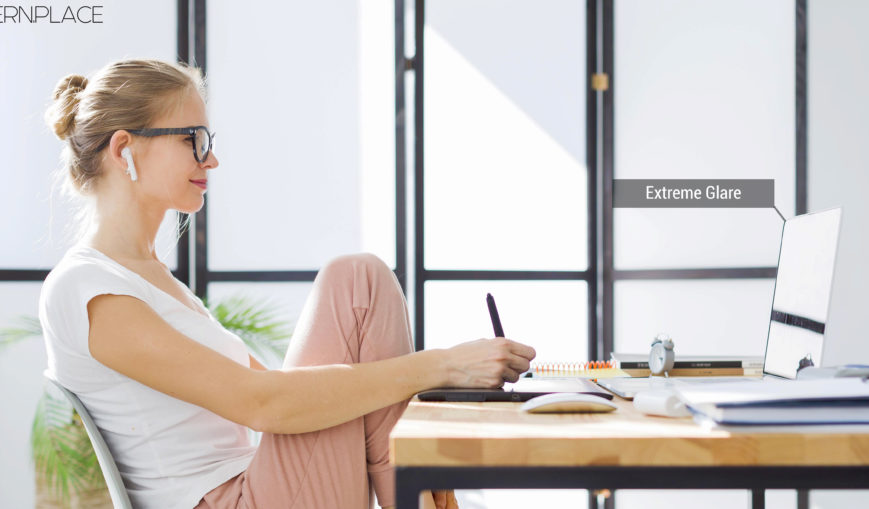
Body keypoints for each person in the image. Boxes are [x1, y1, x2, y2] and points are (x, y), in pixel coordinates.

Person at [38, 59, 536, 509]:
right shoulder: (85, 288)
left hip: (257, 485)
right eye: (194, 139)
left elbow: (285, 395)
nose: (211, 161)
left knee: (359, 280)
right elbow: (263, 403)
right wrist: (443, 366)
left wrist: (440, 370)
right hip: (230, 501)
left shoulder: (156, 282)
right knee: (356, 280)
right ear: (124, 149)